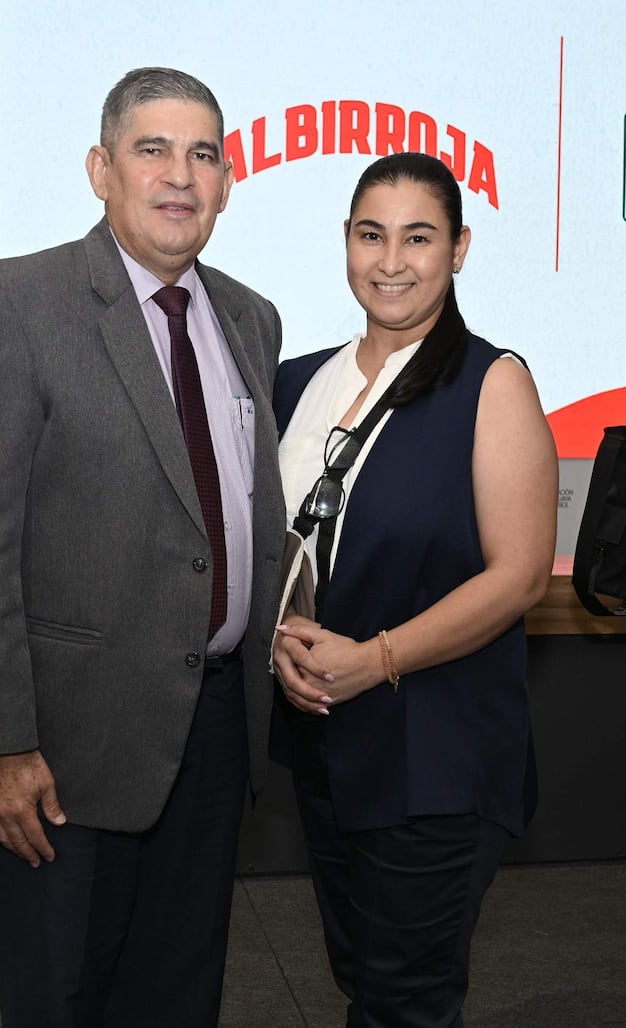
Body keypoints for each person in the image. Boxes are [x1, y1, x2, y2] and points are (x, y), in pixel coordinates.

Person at [0, 67, 285, 1028]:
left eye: (203, 153)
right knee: (63, 1003)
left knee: (178, 999)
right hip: (61, 757)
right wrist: (0, 743)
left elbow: (238, 515)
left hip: (211, 737)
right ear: (100, 168)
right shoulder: (14, 303)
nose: (180, 175)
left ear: (227, 178)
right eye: (151, 149)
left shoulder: (250, 317)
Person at [272, 152, 558, 1027]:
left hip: (434, 752)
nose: (391, 260)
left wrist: (377, 660)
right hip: (322, 744)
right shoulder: (296, 382)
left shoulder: (490, 383)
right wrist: (283, 635)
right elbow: (278, 547)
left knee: (406, 998)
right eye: (371, 235)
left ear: (460, 248)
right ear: (346, 244)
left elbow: (518, 577)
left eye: (419, 237)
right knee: (363, 971)